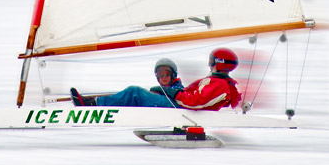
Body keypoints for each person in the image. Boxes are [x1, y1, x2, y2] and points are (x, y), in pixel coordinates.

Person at [70, 47, 241, 111]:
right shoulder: (218, 82)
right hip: (179, 104)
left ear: (219, 63)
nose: (209, 63)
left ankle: (91, 105)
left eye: (212, 60)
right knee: (134, 94)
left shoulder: (219, 84)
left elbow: (195, 102)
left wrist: (171, 92)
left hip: (180, 108)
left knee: (134, 92)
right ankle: (94, 102)